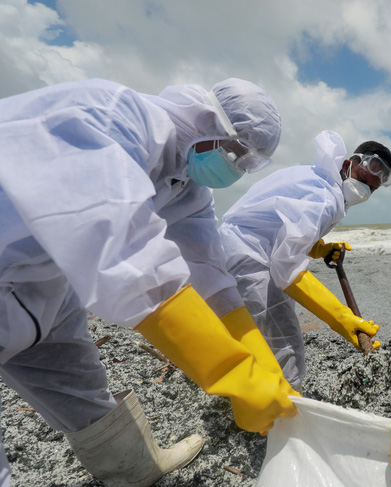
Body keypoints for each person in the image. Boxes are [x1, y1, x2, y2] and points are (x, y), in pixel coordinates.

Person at [0, 77, 298, 487]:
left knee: (76, 381)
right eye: (236, 150)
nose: (236, 166)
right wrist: (235, 372)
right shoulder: (114, 118)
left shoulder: (186, 184)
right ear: (207, 119)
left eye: (248, 162)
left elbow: (207, 268)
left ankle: (135, 469)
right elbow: (126, 254)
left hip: (42, 283)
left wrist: (258, 355)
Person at [218, 130, 391, 390]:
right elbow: (287, 269)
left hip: (239, 248)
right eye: (363, 177)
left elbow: (283, 228)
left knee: (256, 336)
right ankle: (286, 413)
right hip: (249, 256)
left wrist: (320, 249)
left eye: (371, 188)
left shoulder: (318, 180)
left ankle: (253, 397)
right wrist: (341, 319)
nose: (365, 189)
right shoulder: (324, 197)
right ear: (348, 164)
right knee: (286, 342)